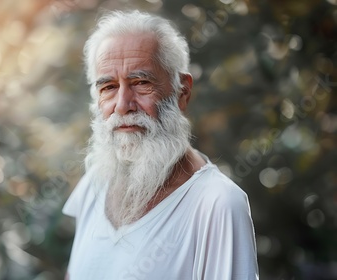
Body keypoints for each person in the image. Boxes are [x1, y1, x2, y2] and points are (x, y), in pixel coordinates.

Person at [62, 10, 259, 280]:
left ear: (182, 92)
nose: (122, 105)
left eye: (141, 83)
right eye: (108, 87)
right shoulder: (95, 183)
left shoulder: (218, 204)